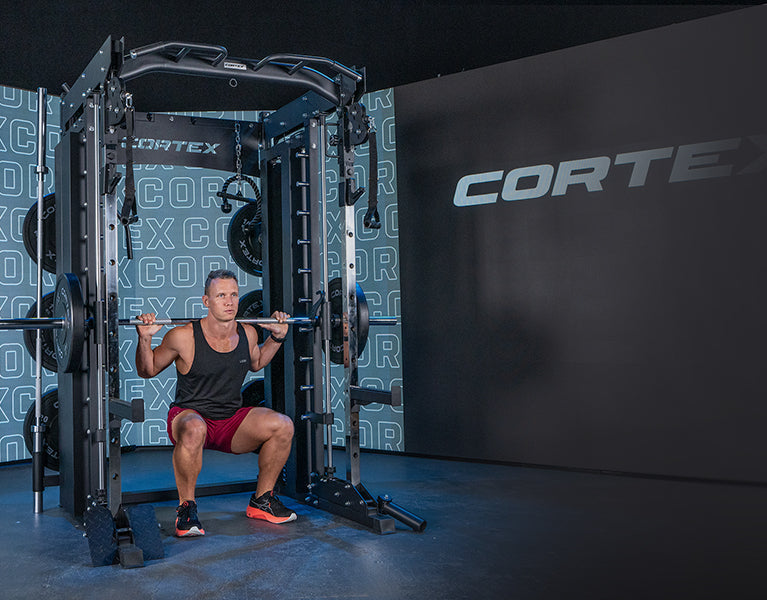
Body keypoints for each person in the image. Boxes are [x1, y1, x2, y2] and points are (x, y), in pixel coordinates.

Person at [135, 268, 296, 537]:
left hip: (230, 420)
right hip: (189, 417)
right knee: (195, 427)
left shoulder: (248, 333)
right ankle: (186, 508)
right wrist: (144, 338)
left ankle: (262, 501)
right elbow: (147, 370)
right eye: (221, 295)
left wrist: (277, 337)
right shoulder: (183, 336)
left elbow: (256, 362)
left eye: (233, 294)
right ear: (206, 301)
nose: (229, 302)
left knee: (283, 425)